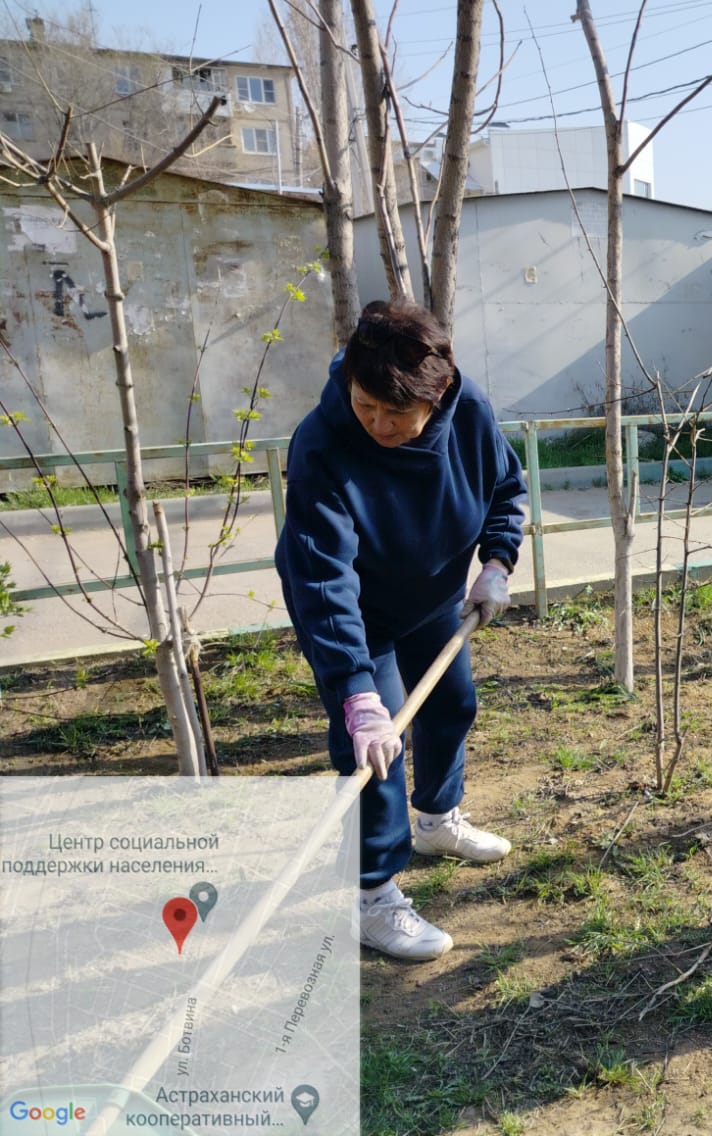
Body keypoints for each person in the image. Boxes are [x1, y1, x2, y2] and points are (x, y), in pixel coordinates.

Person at [275, 300, 527, 961]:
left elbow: (505, 486)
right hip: (355, 614)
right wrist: (357, 696)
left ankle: (437, 820)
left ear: (437, 393)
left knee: (451, 705)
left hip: (437, 595)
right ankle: (372, 894)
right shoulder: (323, 443)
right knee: (373, 753)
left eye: (396, 414)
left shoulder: (467, 411)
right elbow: (323, 579)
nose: (380, 424)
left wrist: (497, 561)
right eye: (367, 406)